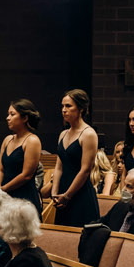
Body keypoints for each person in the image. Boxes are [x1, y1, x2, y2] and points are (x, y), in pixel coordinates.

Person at [49, 88, 101, 227]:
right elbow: (59, 167)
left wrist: (67, 196)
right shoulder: (63, 134)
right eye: (62, 106)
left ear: (81, 109)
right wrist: (55, 192)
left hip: (80, 193)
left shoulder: (88, 134)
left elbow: (85, 170)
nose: (64, 110)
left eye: (68, 106)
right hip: (63, 190)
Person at [0, 99, 45, 202]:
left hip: (24, 197)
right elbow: (0, 169)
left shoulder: (32, 141)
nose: (8, 118)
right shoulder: (7, 140)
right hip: (5, 195)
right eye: (8, 114)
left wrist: (2, 189)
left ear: (25, 118)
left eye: (12, 114)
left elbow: (26, 175)